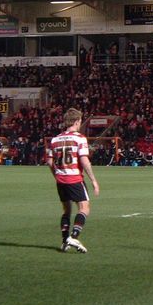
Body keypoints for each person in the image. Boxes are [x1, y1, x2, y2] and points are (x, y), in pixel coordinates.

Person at [46, 108, 99, 253]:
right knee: (84, 208)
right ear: (77, 121)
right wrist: (93, 180)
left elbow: (50, 162)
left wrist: (57, 175)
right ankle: (74, 236)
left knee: (66, 210)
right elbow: (84, 160)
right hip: (74, 178)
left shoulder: (55, 139)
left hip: (60, 180)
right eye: (80, 121)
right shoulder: (80, 138)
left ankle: (64, 241)